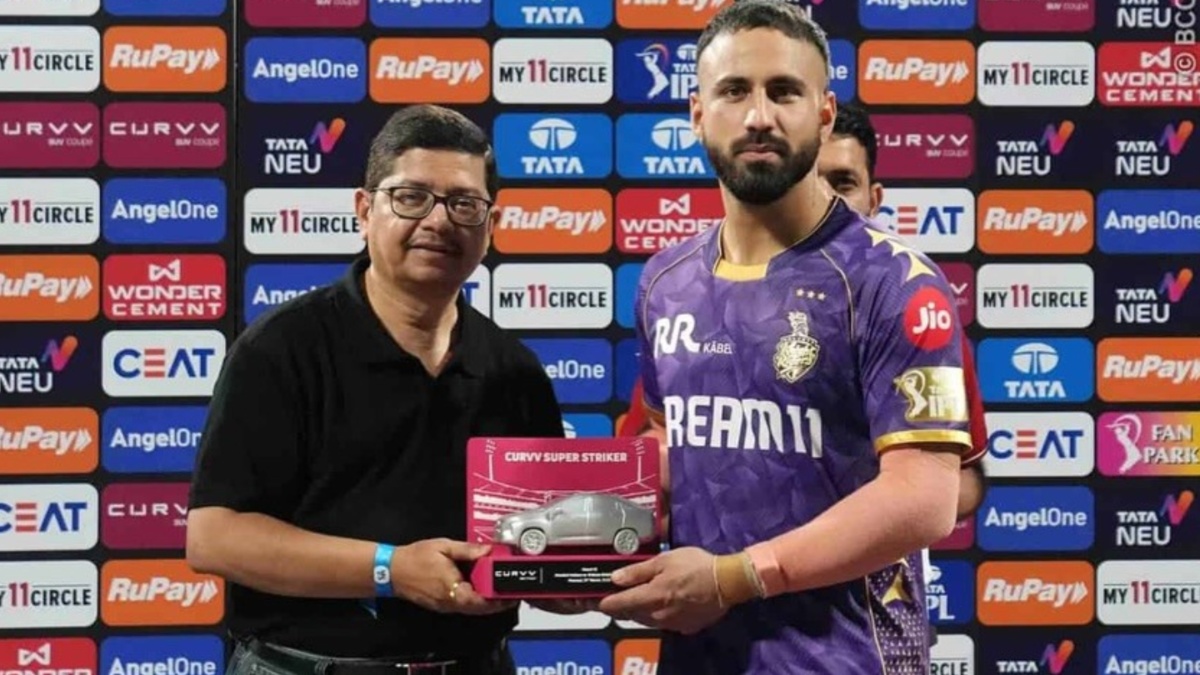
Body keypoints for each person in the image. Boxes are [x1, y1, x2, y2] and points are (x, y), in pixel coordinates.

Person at [597, 2, 975, 673]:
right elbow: (668, 440)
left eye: (784, 91)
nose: (758, 116)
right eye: (733, 91)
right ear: (697, 113)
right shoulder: (664, 281)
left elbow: (925, 497)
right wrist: (584, 549)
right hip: (700, 658)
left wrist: (734, 578)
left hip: (849, 659)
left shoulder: (896, 281)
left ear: (824, 114)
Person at [186, 104, 571, 675]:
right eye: (411, 197)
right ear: (364, 211)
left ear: (491, 227)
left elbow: (538, 548)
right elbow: (214, 538)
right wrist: (391, 569)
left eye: (465, 204)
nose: (439, 221)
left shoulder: (516, 371)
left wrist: (575, 582)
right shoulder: (282, 349)